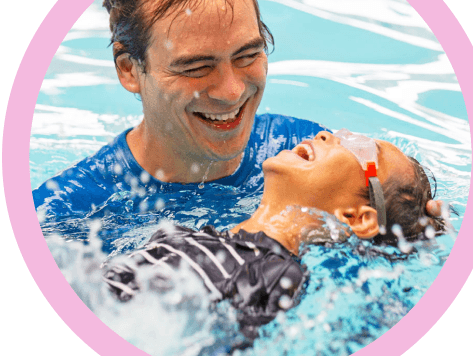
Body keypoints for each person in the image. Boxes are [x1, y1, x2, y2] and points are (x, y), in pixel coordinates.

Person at [33, 0, 326, 225]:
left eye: (247, 56)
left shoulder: (307, 153)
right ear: (129, 70)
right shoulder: (68, 214)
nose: (232, 92)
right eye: (197, 68)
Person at [104, 129, 446, 339]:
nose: (329, 135)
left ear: (357, 217)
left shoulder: (278, 275)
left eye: (364, 149)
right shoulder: (195, 234)